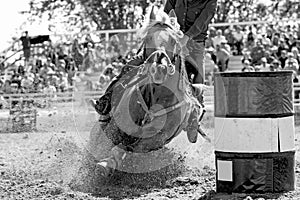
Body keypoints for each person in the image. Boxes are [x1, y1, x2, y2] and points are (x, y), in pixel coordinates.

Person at [164, 0, 218, 84]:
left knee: (198, 79)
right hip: (174, 40)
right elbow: (167, 13)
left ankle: (199, 95)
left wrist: (186, 37)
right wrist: (175, 34)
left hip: (195, 42)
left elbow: (202, 21)